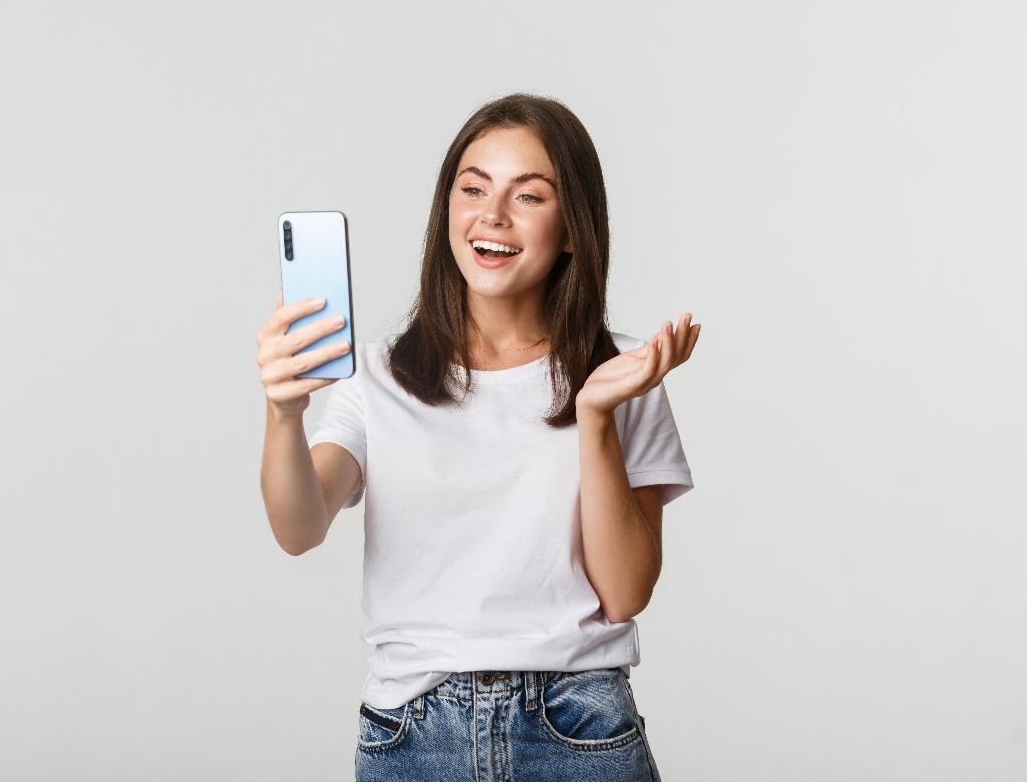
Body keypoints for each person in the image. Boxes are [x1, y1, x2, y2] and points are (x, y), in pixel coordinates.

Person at [256, 93, 700, 782]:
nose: (491, 217)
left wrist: (595, 416)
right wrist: (283, 414)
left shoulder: (623, 374)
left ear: (573, 228)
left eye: (528, 196)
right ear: (447, 211)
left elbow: (624, 592)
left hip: (576, 723)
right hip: (413, 732)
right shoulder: (377, 374)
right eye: (472, 188)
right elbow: (298, 525)